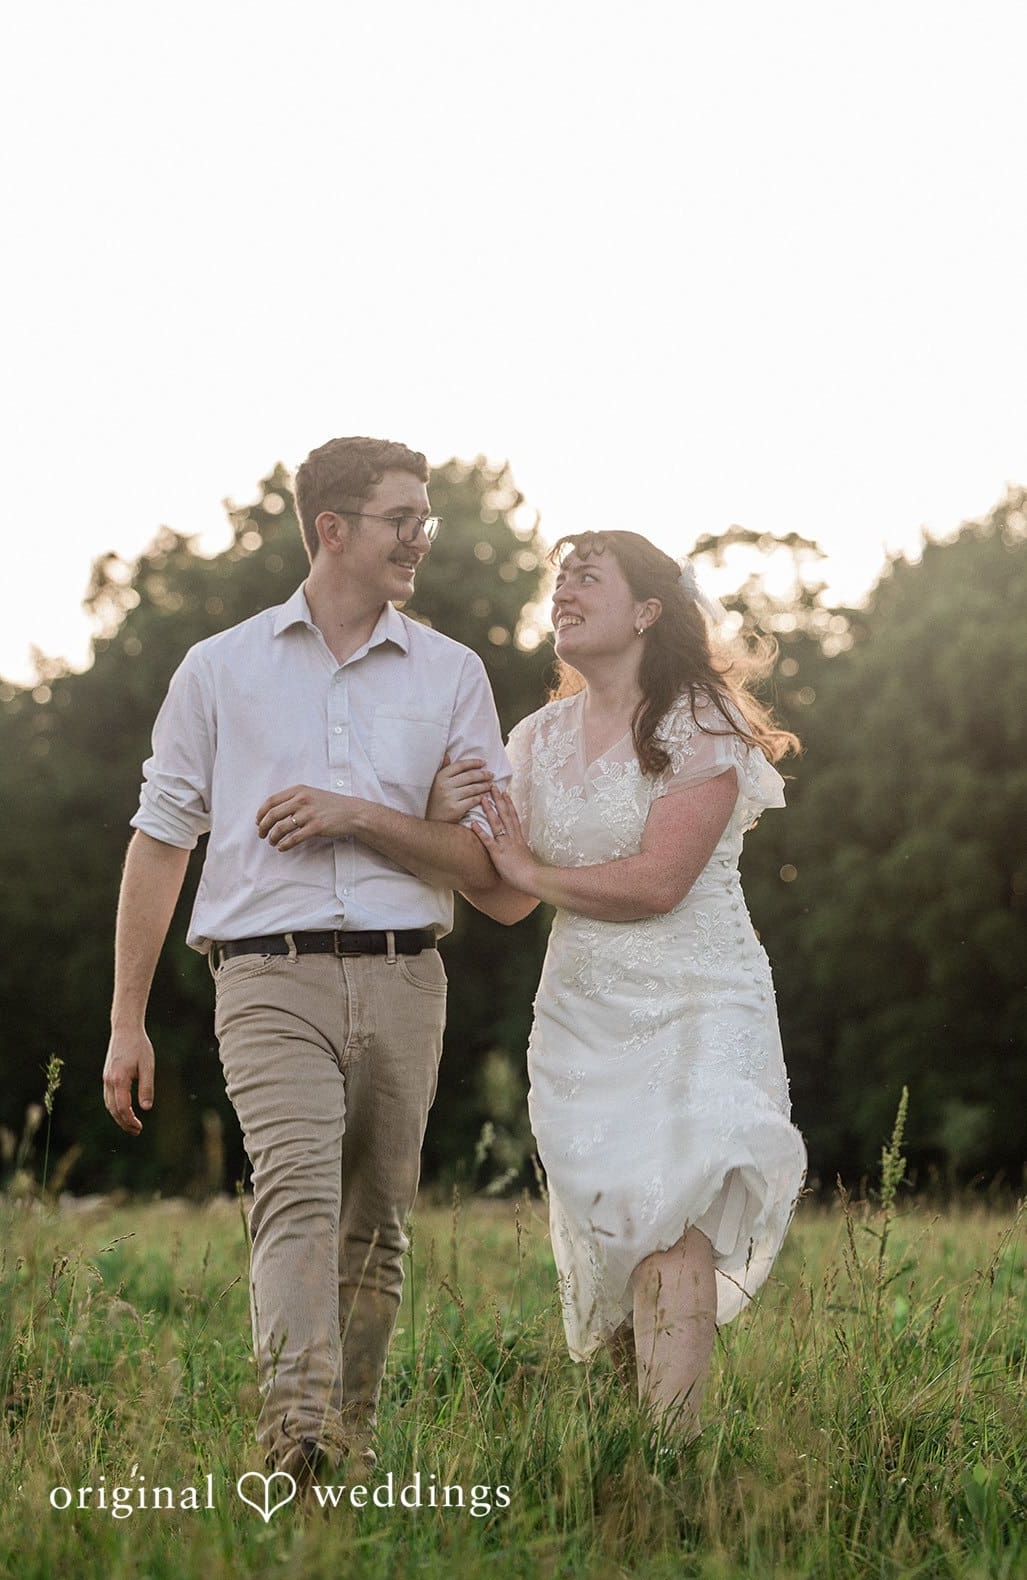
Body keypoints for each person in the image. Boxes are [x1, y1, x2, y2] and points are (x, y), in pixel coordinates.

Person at [103, 435, 510, 1479]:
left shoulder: (454, 675)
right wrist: (125, 1020)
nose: (422, 536)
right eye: (401, 518)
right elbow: (160, 840)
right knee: (297, 1193)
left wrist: (357, 816)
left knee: (376, 1224)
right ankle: (297, 1437)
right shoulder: (219, 669)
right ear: (332, 529)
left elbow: (479, 859)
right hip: (265, 972)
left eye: (426, 517)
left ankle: (351, 1443)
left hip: (407, 971)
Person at [429, 529, 806, 1443]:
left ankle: (674, 1465)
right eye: (558, 578)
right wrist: (435, 817)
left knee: (674, 1217)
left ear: (645, 610)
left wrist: (521, 868)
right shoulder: (534, 738)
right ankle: (625, 1450)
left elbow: (653, 883)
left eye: (586, 577)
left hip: (697, 998)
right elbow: (507, 900)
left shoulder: (698, 721)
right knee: (611, 1234)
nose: (563, 590)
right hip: (581, 1014)